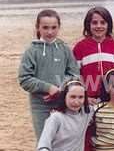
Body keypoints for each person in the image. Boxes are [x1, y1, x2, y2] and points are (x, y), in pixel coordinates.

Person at [18, 9, 79, 140]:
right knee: (44, 141)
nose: (50, 32)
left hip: (63, 102)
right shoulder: (31, 51)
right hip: (40, 105)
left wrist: (60, 89)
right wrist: (48, 88)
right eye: (45, 27)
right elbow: (24, 79)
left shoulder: (64, 49)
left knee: (63, 141)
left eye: (53, 27)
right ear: (38, 28)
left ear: (59, 27)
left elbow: (74, 74)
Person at [73, 6, 114, 103]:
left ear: (109, 25)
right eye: (94, 23)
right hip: (89, 100)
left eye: (103, 22)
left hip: (113, 99)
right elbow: (75, 76)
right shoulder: (80, 48)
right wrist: (84, 97)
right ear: (88, 25)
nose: (99, 26)